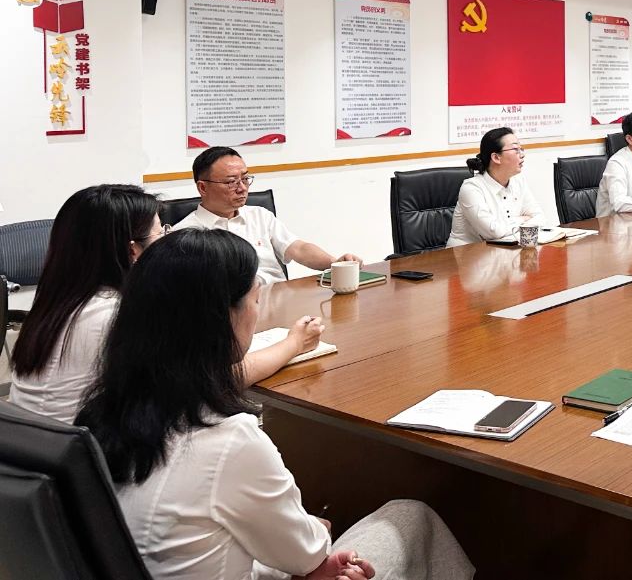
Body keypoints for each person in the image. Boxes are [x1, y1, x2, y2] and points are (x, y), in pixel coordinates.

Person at [76, 229, 474, 580]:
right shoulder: (228, 440)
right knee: (412, 518)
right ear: (223, 319)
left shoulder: (100, 412)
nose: (257, 313)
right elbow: (308, 552)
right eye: (254, 300)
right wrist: (313, 537)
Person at [10, 185, 321, 424]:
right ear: (133, 251)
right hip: (96, 465)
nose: (168, 241)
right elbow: (215, 382)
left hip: (39, 459)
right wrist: (293, 344)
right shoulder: (119, 316)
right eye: (162, 233)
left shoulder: (59, 303)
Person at [175, 147, 361, 283]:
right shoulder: (184, 235)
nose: (242, 188)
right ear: (203, 187)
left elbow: (298, 249)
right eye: (231, 182)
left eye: (245, 179)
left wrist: (335, 263)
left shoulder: (260, 215)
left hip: (278, 298)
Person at [448, 127, 545, 245]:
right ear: (496, 157)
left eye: (521, 149)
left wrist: (506, 225)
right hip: (467, 253)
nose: (522, 155)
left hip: (503, 251)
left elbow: (540, 218)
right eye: (515, 149)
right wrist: (522, 219)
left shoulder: (519, 181)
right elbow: (492, 232)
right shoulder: (471, 188)